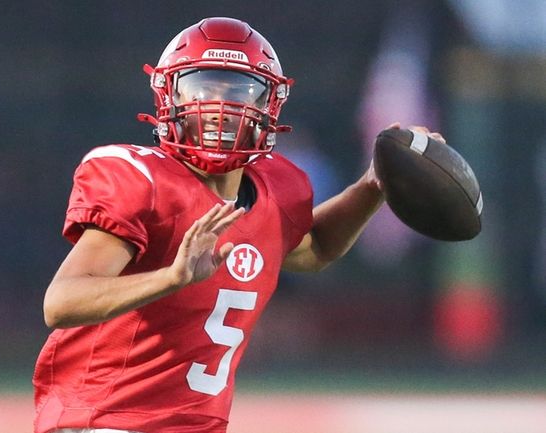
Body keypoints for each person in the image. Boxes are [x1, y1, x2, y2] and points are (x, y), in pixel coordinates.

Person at [34, 17, 444, 433]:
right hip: (106, 421)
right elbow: (62, 302)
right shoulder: (141, 181)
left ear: (271, 106)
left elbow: (314, 247)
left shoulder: (277, 188)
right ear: (167, 96)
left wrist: (372, 185)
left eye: (239, 93)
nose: (219, 109)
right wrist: (170, 278)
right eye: (202, 89)